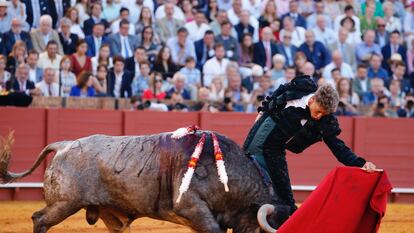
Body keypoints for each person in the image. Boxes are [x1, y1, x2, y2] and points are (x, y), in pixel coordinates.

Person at [243, 75, 378, 215]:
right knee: (252, 177)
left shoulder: (325, 120)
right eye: (318, 111)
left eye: (324, 114)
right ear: (312, 99)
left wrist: (361, 164)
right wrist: (262, 111)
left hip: (276, 148)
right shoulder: (299, 90)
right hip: (261, 138)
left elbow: (339, 149)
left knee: (286, 198)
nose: (319, 116)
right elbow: (277, 94)